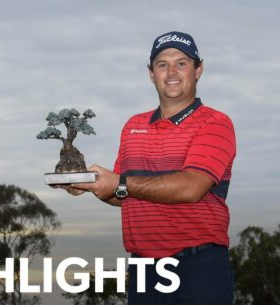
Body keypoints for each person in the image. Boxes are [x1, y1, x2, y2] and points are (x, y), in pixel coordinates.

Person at [63, 31, 236, 305]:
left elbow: (192, 187)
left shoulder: (215, 123)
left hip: (198, 266)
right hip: (144, 270)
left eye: (182, 63)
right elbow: (125, 196)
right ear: (151, 73)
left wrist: (119, 183)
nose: (172, 72)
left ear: (198, 70)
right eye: (162, 64)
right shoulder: (133, 126)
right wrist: (94, 186)